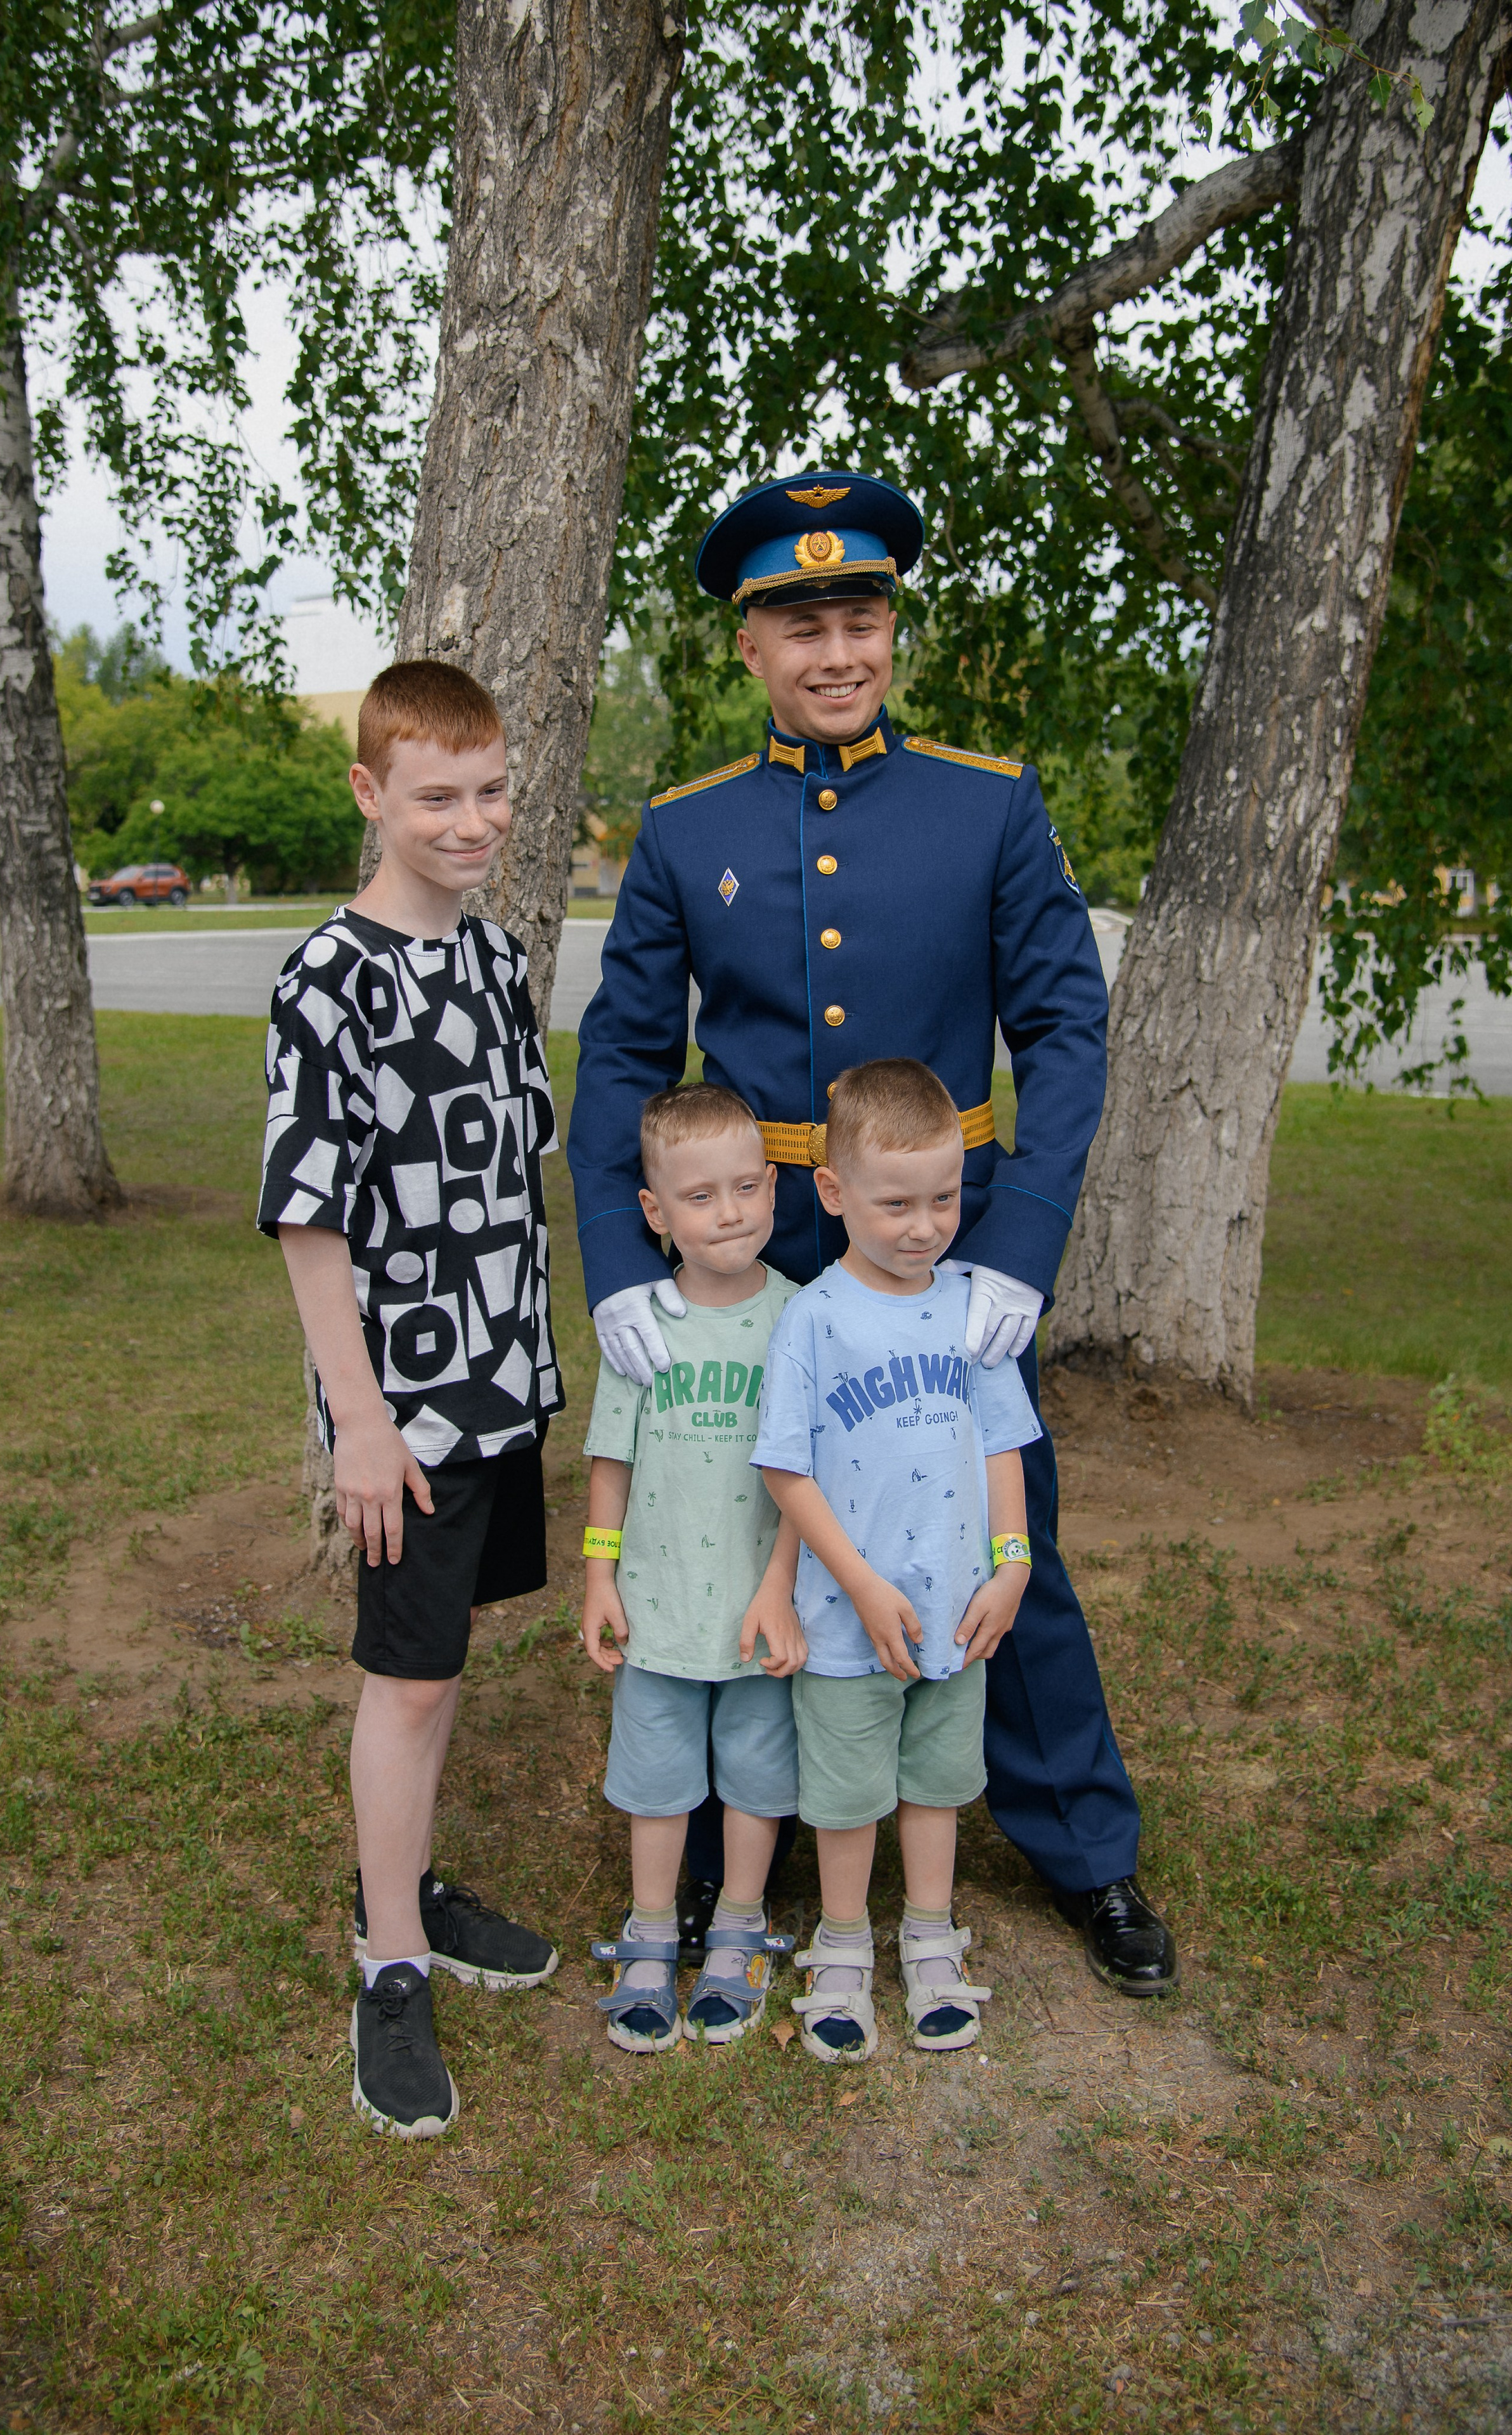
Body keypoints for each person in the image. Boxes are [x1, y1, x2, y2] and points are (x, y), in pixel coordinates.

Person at [567, 468, 1177, 1997]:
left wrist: (1018, 1249)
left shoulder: (987, 802)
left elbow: (1064, 1025)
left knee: (995, 1540)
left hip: (938, 1260)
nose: (834, 651)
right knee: (731, 1545)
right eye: (798, 626)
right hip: (757, 1264)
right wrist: (625, 1270)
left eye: (859, 619)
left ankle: (1084, 1852)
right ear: (746, 650)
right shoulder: (685, 828)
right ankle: (726, 1848)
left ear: (889, 630)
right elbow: (622, 1057)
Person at [259, 658, 561, 2142]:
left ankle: (408, 1882)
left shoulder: (496, 963)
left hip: (501, 1382)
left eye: (490, 790)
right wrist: (359, 1423)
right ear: (373, 795)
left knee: (441, 1665)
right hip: (407, 1410)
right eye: (436, 795)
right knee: (411, 1675)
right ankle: (386, 1958)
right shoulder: (328, 976)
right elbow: (312, 1223)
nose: (470, 819)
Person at [753, 1060, 1039, 2058]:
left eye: (945, 1199)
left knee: (935, 1784)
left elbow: (1002, 1444)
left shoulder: (970, 1308)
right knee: (844, 1793)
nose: (924, 1226)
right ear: (832, 1194)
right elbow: (787, 1472)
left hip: (958, 1611)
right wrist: (861, 1587)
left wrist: (1013, 1563)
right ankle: (840, 1949)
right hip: (847, 1617)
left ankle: (928, 1939)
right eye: (896, 1204)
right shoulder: (815, 1318)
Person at [579, 1082, 803, 2050]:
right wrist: (597, 1576)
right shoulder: (642, 1323)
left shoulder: (803, 1317)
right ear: (655, 1212)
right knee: (658, 1782)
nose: (731, 1212)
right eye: (702, 1196)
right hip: (661, 1605)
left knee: (757, 1779)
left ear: (775, 1189)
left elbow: (811, 1472)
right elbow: (610, 1457)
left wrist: (784, 1588)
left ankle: (740, 1929)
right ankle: (651, 1931)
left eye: (748, 1187)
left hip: (760, 1606)